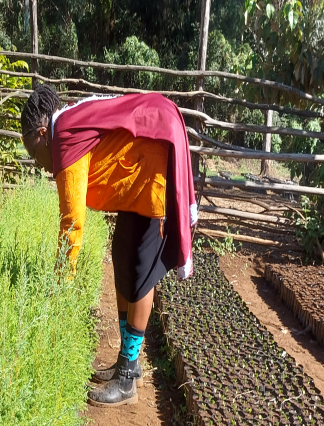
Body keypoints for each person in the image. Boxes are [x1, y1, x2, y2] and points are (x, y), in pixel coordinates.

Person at [21, 85, 197, 408]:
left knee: (142, 271)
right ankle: (126, 361)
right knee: (122, 257)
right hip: (137, 177)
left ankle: (127, 377)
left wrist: (60, 290)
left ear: (43, 133)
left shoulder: (65, 141)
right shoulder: (66, 128)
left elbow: (72, 226)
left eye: (34, 152)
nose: (38, 164)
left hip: (152, 167)